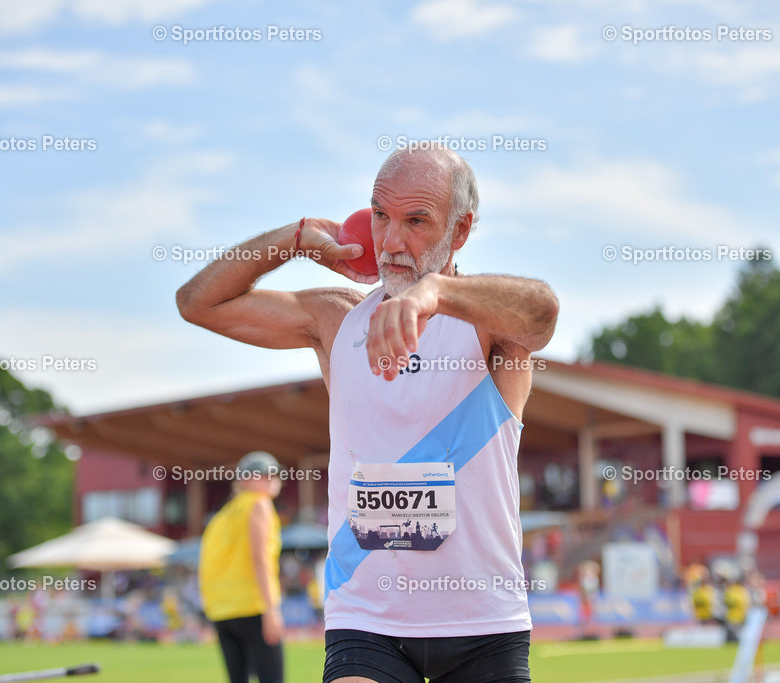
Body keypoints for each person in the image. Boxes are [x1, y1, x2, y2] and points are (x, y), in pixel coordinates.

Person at [178, 147, 559, 683]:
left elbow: (543, 312)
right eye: (380, 214)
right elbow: (198, 302)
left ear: (461, 230)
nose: (391, 240)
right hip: (367, 619)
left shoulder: (490, 326)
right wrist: (296, 237)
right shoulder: (337, 319)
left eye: (416, 221)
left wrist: (435, 293)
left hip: (482, 620)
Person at [199, 451, 285, 683]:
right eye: (265, 474)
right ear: (246, 480)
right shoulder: (259, 504)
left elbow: (207, 563)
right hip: (252, 607)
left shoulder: (221, 515)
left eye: (275, 474)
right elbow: (260, 559)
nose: (272, 479)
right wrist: (272, 608)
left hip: (222, 612)